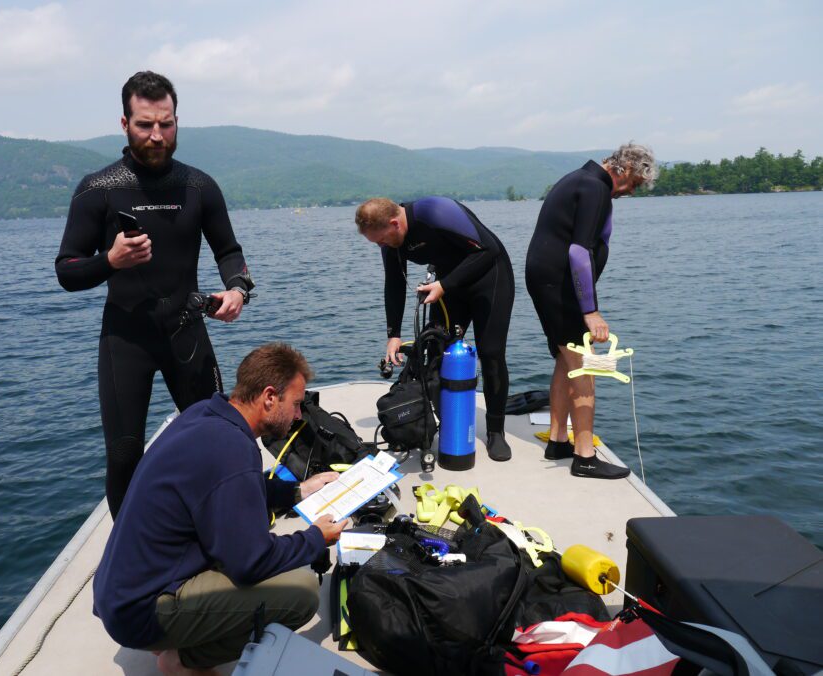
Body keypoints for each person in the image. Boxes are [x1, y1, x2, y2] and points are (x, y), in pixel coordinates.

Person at [55, 71, 254, 518]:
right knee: (125, 455)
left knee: (218, 436)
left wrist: (238, 289)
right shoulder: (98, 189)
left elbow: (229, 251)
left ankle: (222, 530)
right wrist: (110, 261)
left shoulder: (199, 186)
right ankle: (131, 557)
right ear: (124, 124)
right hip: (127, 338)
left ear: (177, 122)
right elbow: (66, 270)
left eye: (165, 124)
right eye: (145, 124)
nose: (157, 135)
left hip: (188, 329)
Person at [93, 343, 347, 675]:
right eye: (296, 404)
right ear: (269, 397)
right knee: (300, 592)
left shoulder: (205, 415)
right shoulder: (233, 450)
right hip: (142, 613)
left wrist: (298, 490)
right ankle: (183, 661)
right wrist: (316, 538)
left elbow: (232, 489)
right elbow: (251, 563)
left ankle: (178, 636)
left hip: (122, 594)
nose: (300, 415)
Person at [525, 143, 657, 479]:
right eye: (635, 184)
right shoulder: (595, 187)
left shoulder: (583, 180)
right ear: (625, 169)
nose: (631, 192)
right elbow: (579, 252)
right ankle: (584, 455)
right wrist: (591, 310)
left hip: (548, 279)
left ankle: (557, 441)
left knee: (565, 360)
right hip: (560, 284)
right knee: (583, 366)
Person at [355, 196, 515, 461]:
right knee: (440, 352)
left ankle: (496, 431)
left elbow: (487, 251)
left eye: (381, 240)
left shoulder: (435, 212)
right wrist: (393, 335)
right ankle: (448, 422)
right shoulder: (390, 240)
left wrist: (444, 285)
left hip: (490, 277)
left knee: (491, 353)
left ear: (394, 223)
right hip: (449, 286)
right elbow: (393, 284)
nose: (380, 246)